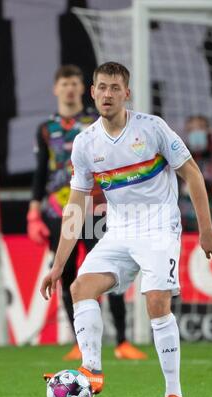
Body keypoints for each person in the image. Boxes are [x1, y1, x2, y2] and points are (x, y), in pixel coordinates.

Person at [40, 62, 212, 397]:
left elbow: (193, 175)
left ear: (127, 93)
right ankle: (91, 372)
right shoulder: (85, 144)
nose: (107, 94)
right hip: (119, 230)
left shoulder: (152, 128)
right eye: (101, 87)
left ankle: (174, 395)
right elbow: (75, 208)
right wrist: (57, 265)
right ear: (92, 92)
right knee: (80, 287)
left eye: (114, 88)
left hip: (159, 227)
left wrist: (206, 231)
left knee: (156, 303)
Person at [27, 64, 146, 361]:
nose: (69, 89)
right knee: (66, 273)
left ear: (84, 89)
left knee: (107, 268)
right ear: (56, 89)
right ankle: (81, 342)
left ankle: (121, 340)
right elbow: (40, 173)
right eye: (64, 83)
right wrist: (33, 213)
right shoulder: (45, 129)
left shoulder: (97, 121)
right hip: (59, 211)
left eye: (74, 83)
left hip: (97, 206)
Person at [179, 115, 212, 231]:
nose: (196, 133)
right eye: (191, 130)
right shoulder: (179, 156)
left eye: (200, 128)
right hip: (183, 212)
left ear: (208, 131)